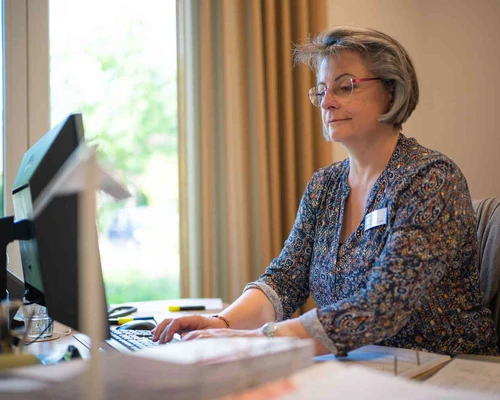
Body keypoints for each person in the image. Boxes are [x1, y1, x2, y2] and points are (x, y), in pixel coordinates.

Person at [152, 26, 499, 357]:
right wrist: (222, 323)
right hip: (362, 367)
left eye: (344, 87)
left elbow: (382, 306)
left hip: (451, 370)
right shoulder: (325, 186)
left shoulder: (430, 179)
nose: (327, 102)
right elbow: (284, 281)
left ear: (391, 92)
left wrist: (259, 340)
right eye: (321, 90)